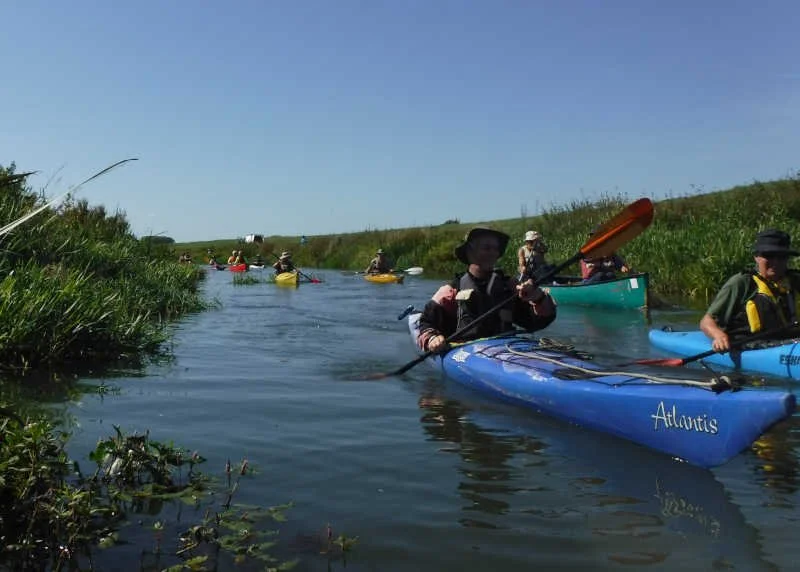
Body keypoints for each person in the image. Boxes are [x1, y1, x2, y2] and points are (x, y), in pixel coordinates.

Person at [417, 227, 556, 353]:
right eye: (486, 248)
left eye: (495, 249)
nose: (493, 253)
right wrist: (432, 339)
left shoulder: (510, 287)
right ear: (470, 252)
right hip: (466, 352)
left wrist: (538, 297)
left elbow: (538, 322)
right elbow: (425, 323)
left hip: (507, 350)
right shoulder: (451, 290)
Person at [700, 229, 800, 352]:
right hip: (752, 345)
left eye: (782, 257)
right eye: (769, 255)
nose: (776, 262)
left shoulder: (795, 280)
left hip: (792, 342)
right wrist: (719, 336)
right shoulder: (741, 283)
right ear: (756, 257)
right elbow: (707, 322)